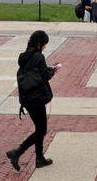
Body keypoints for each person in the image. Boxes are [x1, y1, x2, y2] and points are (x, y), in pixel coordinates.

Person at [6, 30, 58, 171]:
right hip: (37, 98)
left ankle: (39, 158)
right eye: (44, 44)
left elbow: (32, 72)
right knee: (41, 130)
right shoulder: (39, 57)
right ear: (40, 43)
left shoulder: (24, 56)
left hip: (27, 98)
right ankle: (17, 152)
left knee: (39, 129)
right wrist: (53, 70)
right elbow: (44, 75)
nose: (45, 47)